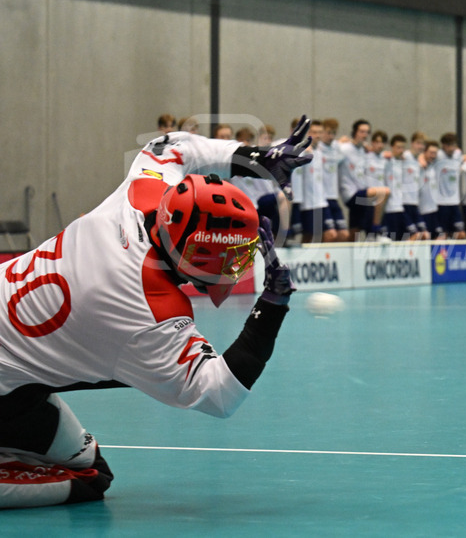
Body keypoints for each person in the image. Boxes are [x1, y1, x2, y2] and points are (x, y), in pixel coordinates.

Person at [0, 119, 312, 507]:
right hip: (6, 387)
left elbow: (174, 144)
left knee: (73, 451)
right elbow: (219, 394)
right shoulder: (146, 311)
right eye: (234, 257)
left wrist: (254, 158)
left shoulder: (142, 192)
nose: (240, 266)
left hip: (12, 375)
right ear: (196, 255)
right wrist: (272, 306)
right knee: (90, 475)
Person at [434, 133, 466, 239]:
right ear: (443, 145)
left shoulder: (458, 154)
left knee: (461, 234)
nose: (451, 148)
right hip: (441, 202)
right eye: (449, 146)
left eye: (453, 145)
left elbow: (464, 158)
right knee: (443, 235)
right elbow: (423, 155)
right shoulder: (438, 155)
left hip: (455, 202)